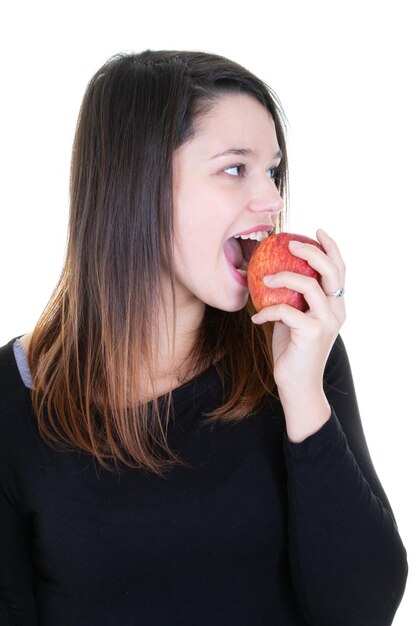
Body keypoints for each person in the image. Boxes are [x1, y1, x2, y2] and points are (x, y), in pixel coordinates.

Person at [0, 50, 407, 625]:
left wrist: (303, 395)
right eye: (236, 168)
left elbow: (362, 611)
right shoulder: (12, 399)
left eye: (274, 171)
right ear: (134, 183)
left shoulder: (294, 352)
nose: (272, 202)